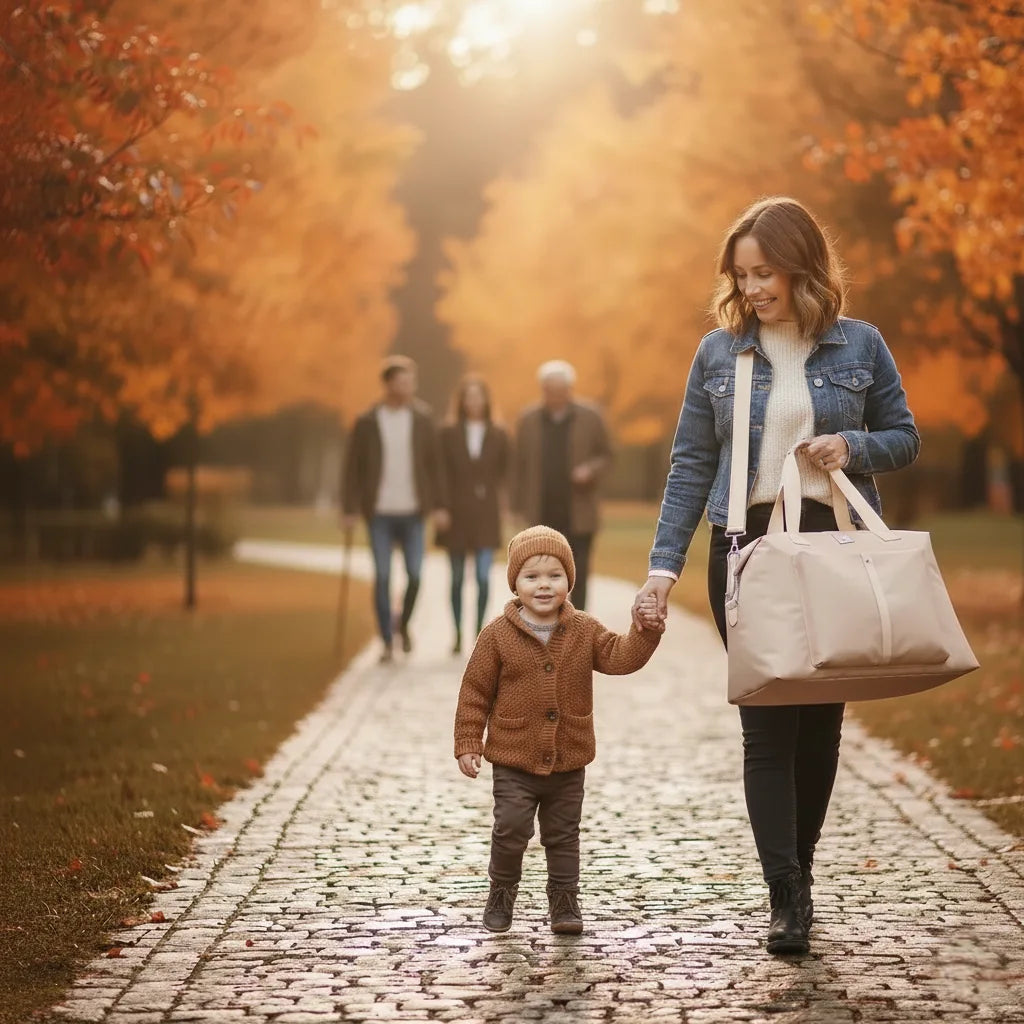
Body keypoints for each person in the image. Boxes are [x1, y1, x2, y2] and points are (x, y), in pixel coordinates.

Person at [632, 196, 920, 956]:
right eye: (743, 274)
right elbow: (691, 462)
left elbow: (905, 436)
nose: (753, 287)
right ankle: (785, 895)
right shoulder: (718, 355)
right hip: (747, 547)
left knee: (820, 727)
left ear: (801, 267)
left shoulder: (861, 344)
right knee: (766, 727)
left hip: (831, 543)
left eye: (766, 272)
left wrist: (851, 446)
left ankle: (802, 873)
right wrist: (663, 568)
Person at [454, 526, 664, 935]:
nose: (544, 585)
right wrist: (468, 741)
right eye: (532, 577)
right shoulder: (496, 635)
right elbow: (475, 691)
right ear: (515, 583)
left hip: (569, 759)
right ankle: (501, 892)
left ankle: (565, 901)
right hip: (513, 759)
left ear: (570, 579)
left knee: (563, 835)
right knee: (511, 827)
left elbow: (620, 657)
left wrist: (645, 631)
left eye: (554, 576)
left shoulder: (584, 628)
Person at [341, 356, 450, 663]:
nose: (408, 387)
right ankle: (387, 641)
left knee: (415, 575)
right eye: (402, 381)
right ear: (388, 384)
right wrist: (349, 508)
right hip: (379, 512)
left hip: (414, 511)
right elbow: (353, 467)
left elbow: (435, 465)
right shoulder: (367, 421)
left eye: (411, 381)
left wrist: (440, 505)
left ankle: (402, 624)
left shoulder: (423, 419)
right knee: (384, 575)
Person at [512, 360, 612, 611]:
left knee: (579, 572)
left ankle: (578, 623)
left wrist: (590, 469)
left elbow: (607, 455)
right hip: (541, 513)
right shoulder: (529, 419)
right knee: (540, 572)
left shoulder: (590, 416)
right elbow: (518, 465)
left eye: (560, 390)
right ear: (543, 390)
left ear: (570, 389)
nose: (555, 396)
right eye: (550, 390)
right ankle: (544, 623)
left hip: (579, 512)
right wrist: (515, 506)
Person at [437, 375, 511, 655]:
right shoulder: (447, 434)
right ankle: (456, 633)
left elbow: (506, 473)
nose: (474, 402)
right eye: (468, 397)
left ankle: (480, 632)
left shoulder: (499, 434)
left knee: (482, 575)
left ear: (486, 401)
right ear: (461, 401)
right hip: (455, 513)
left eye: (478, 396)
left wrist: (506, 505)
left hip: (486, 514)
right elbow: (440, 473)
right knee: (456, 577)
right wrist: (440, 506)